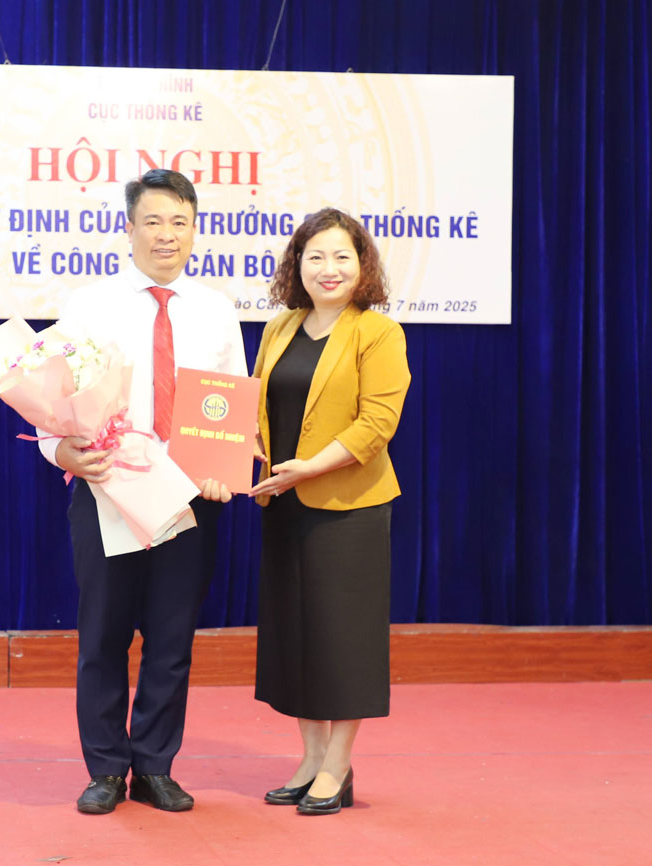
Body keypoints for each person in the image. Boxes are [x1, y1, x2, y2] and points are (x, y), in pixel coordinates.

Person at [40, 169, 247, 814]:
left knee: (171, 638)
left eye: (180, 222)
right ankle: (105, 769)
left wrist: (228, 467)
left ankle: (155, 765)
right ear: (128, 228)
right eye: (153, 221)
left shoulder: (215, 308)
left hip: (187, 497)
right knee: (102, 636)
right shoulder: (90, 303)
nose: (167, 235)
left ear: (195, 230)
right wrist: (60, 450)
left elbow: (232, 405)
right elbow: (53, 402)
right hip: (108, 494)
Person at [248, 207, 411, 815]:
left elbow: (377, 424)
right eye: (315, 256)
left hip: (349, 508)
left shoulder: (379, 332)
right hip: (283, 502)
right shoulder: (280, 327)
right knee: (296, 637)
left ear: (362, 265)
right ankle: (311, 759)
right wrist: (254, 446)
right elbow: (257, 403)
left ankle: (338, 767)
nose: (329, 268)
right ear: (297, 266)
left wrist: (308, 468)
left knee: (343, 643)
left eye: (342, 256)